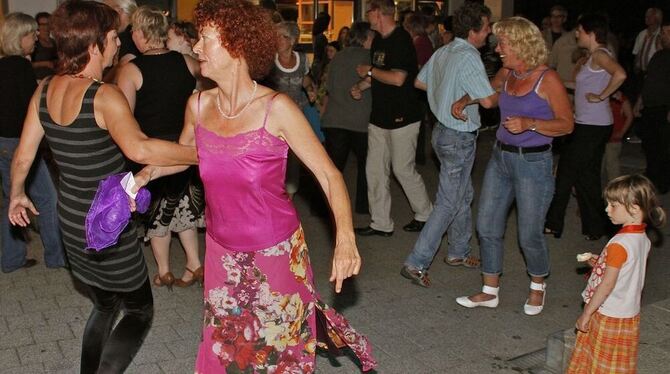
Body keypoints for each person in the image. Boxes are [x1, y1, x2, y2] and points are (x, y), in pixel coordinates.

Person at [134, 0, 376, 371]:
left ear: (236, 46)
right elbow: (187, 154)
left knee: (276, 354)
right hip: (221, 254)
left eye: (205, 39)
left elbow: (330, 175)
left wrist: (345, 237)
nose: (196, 47)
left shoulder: (276, 109)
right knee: (226, 350)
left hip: (275, 255)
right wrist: (144, 175)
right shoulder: (198, 105)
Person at [7, 1, 198, 372]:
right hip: (109, 223)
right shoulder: (103, 95)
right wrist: (200, 152)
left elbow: (22, 156)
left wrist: (17, 193)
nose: (117, 44)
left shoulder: (44, 89)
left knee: (105, 304)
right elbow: (140, 148)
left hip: (72, 221)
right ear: (94, 45)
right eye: (112, 37)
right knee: (140, 310)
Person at [454, 17, 573, 315]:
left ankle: (537, 286)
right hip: (500, 158)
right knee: (487, 225)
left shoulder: (548, 79)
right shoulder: (508, 72)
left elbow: (567, 125)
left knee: (529, 233)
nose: (498, 48)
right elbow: (491, 98)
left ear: (521, 44)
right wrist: (466, 99)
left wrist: (530, 124)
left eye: (504, 43)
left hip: (534, 163)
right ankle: (489, 290)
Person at [400, 1, 495, 288]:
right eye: (488, 26)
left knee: (462, 194)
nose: (490, 32)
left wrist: (445, 93)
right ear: (475, 29)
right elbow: (489, 100)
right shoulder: (469, 57)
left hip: (441, 133)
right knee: (449, 201)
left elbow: (419, 82)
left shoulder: (444, 50)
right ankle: (416, 262)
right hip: (458, 136)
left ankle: (458, 251)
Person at [116, 6, 204, 289]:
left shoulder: (131, 70)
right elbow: (203, 101)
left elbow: (125, 118)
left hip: (152, 151)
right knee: (183, 208)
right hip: (185, 147)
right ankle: (194, 263)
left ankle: (164, 270)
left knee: (157, 214)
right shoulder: (189, 63)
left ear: (140, 34)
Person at [568, 174, 666, 373]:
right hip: (628, 314)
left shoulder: (619, 245)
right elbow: (627, 271)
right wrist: (600, 263)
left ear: (634, 208)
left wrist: (587, 313)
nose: (607, 210)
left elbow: (607, 285)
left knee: (597, 363)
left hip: (608, 313)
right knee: (616, 366)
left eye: (613, 205)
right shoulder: (641, 238)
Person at [352, 0, 433, 237]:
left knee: (402, 169)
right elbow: (380, 74)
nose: (367, 16)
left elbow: (398, 78)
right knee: (374, 170)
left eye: (369, 11)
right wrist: (361, 85)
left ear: (378, 13)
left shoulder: (401, 40)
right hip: (379, 116)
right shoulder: (378, 40)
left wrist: (368, 71)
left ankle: (425, 213)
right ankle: (381, 223)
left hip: (403, 117)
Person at [544, 14, 627, 241]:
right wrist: (559, 82)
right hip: (591, 124)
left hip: (592, 126)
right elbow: (581, 86)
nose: (577, 34)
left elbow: (620, 74)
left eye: (579, 31)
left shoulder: (600, 54)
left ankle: (553, 223)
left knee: (566, 171)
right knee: (587, 177)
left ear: (590, 34)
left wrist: (602, 96)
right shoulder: (594, 57)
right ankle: (596, 227)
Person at [0, 12, 65, 272]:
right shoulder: (19, 67)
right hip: (18, 143)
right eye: (32, 34)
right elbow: (30, 110)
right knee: (48, 198)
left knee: (11, 197)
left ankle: (11, 259)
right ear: (20, 37)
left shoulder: (4, 65)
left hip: (2, 141)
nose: (36, 38)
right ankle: (57, 257)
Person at [321, 21, 374, 215]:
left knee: (333, 168)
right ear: (366, 38)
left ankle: (326, 206)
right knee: (366, 165)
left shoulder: (338, 57)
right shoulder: (371, 58)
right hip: (361, 121)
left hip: (335, 118)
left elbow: (329, 87)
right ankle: (362, 205)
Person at [266, 21, 317, 197]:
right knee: (275, 157)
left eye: (283, 36)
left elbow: (305, 80)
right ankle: (273, 193)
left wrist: (310, 90)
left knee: (294, 159)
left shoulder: (302, 60)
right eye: (276, 35)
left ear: (293, 40)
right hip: (273, 118)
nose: (278, 39)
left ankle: (289, 194)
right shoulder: (269, 60)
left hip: (296, 117)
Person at [633, 18, 670, 194]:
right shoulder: (659, 55)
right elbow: (649, 80)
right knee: (650, 145)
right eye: (662, 33)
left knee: (664, 147)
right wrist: (640, 101)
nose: (663, 36)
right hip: (650, 107)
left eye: (666, 33)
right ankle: (653, 177)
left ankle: (663, 182)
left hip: (664, 108)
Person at [602, 90, 633, 181]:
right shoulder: (601, 95)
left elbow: (629, 115)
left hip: (613, 137)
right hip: (601, 135)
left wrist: (622, 132)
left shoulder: (620, 97)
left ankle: (616, 190)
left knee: (612, 166)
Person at [31, 12, 57, 79]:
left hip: (53, 80)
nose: (46, 27)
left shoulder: (54, 42)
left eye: (48, 24)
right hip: (38, 81)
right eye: (43, 24)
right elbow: (26, 64)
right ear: (37, 26)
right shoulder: (34, 42)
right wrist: (45, 63)